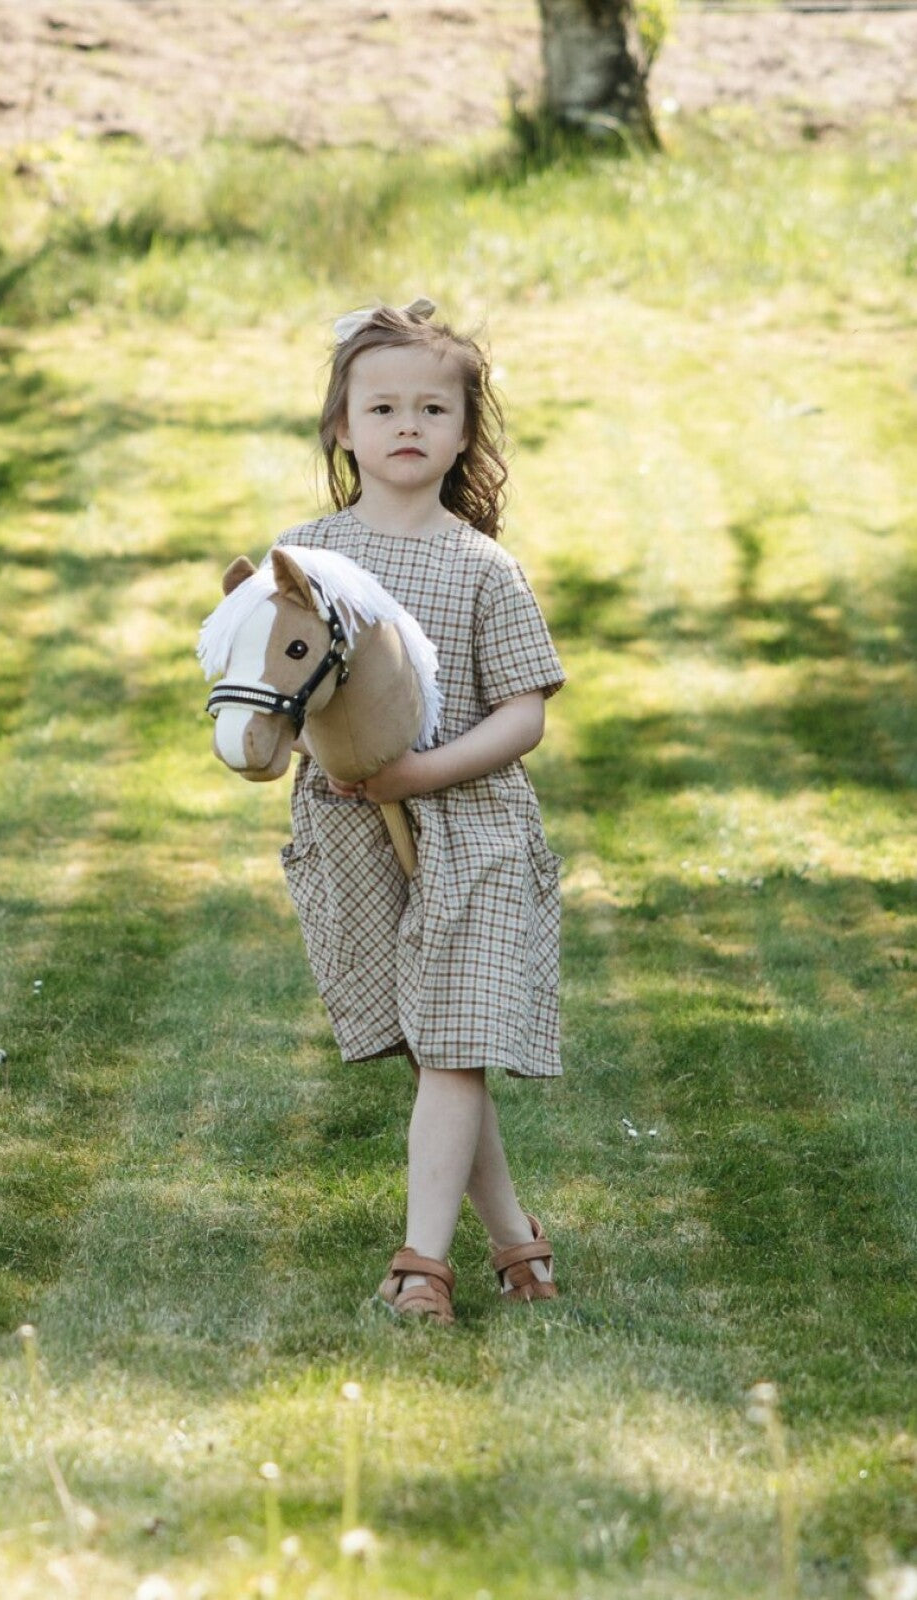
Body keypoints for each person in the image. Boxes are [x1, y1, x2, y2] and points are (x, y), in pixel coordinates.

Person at [274, 298, 565, 1326]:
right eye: (382, 405)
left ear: (461, 432)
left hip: (471, 828)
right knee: (427, 1039)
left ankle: (419, 1268)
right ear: (339, 427)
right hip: (351, 830)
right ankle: (516, 1239)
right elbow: (276, 683)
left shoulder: (483, 567)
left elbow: (524, 713)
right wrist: (305, 750)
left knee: (451, 1041)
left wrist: (421, 772)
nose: (407, 424)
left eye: (432, 409)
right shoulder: (302, 559)